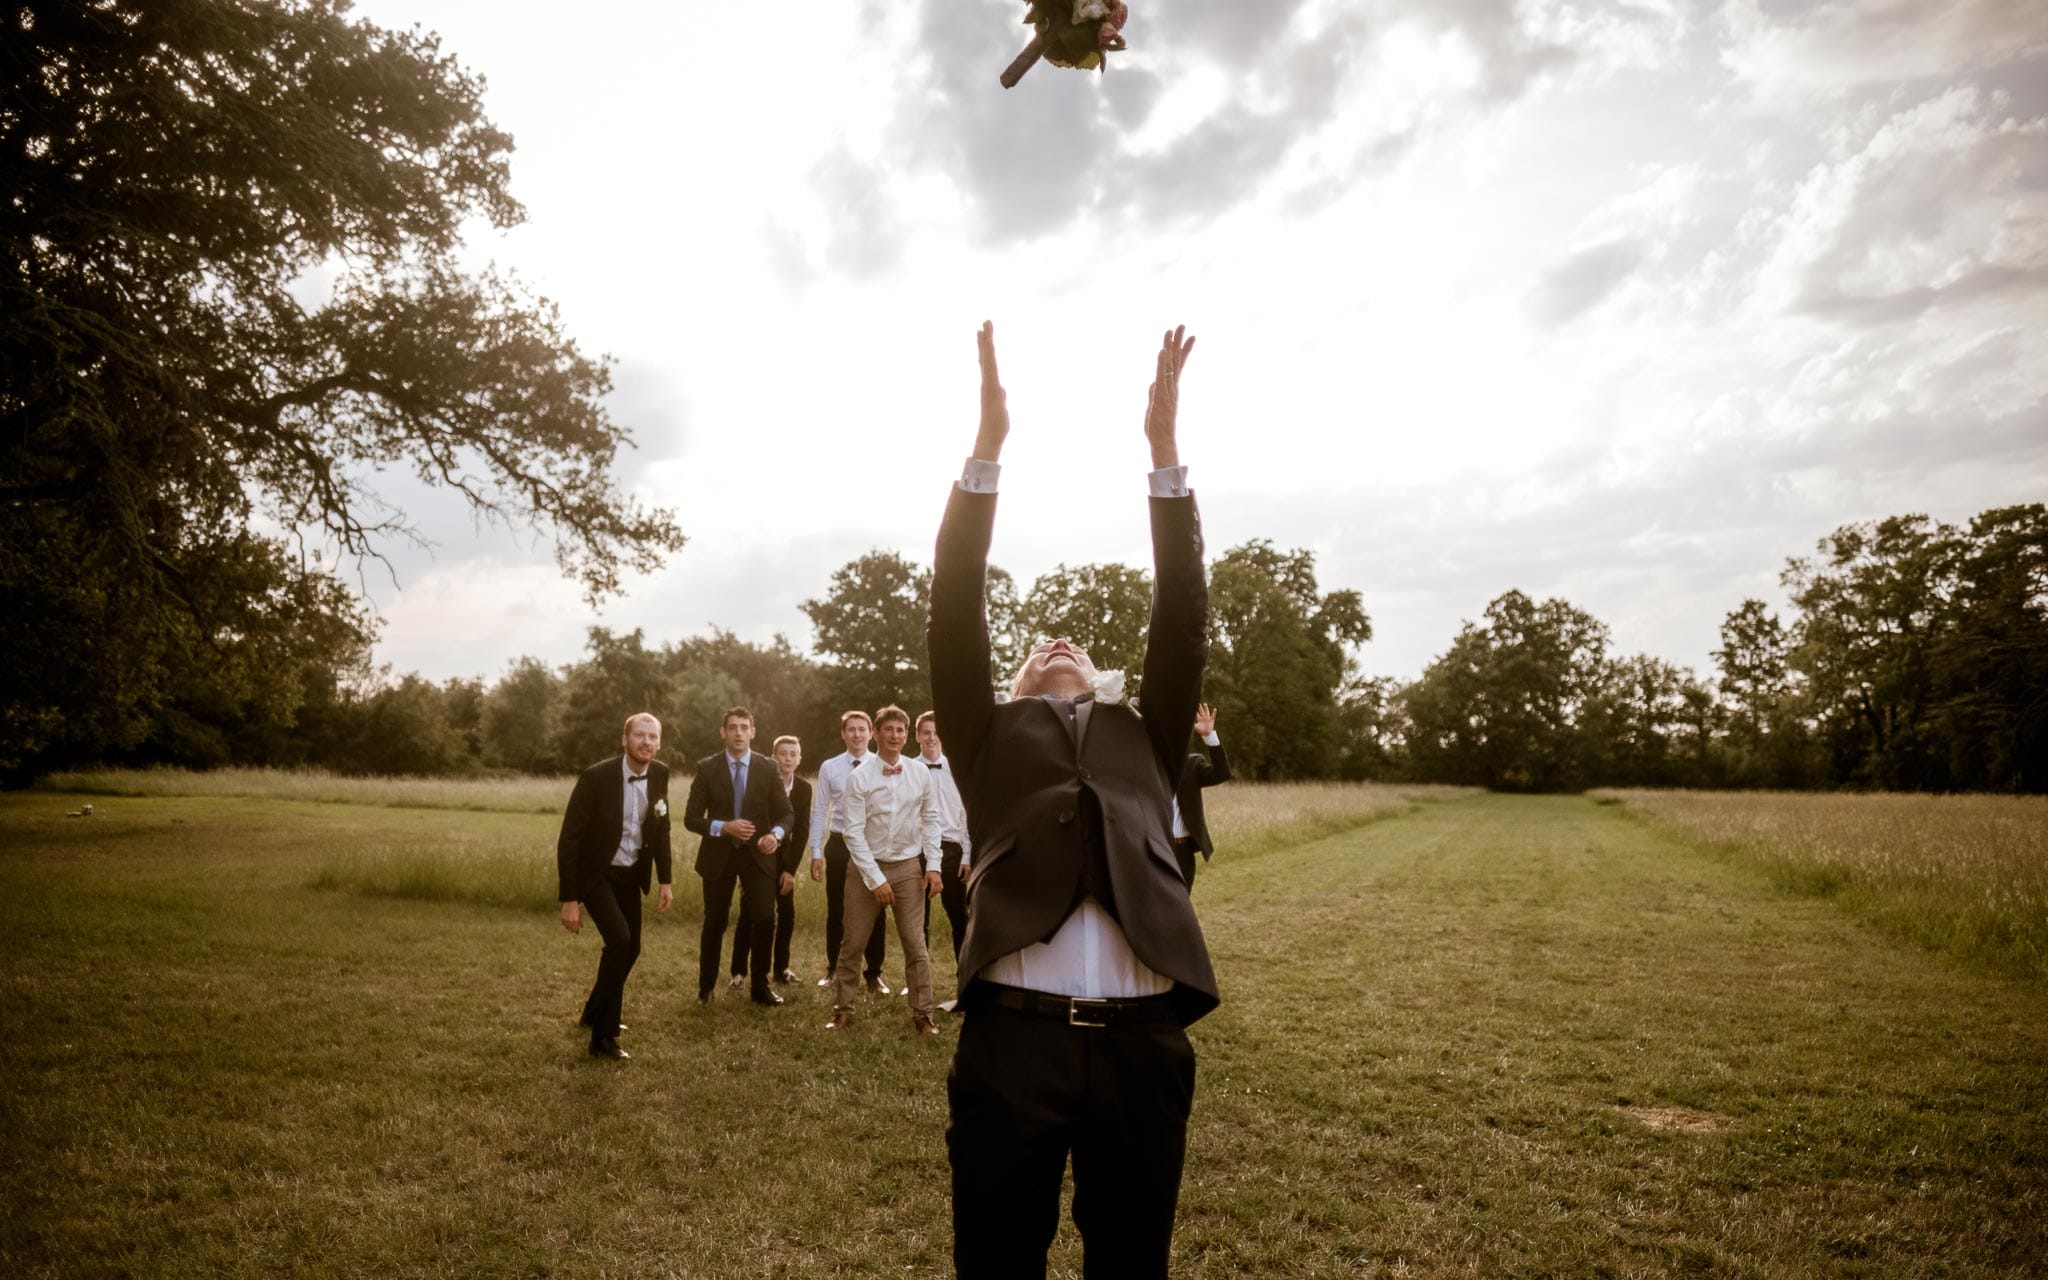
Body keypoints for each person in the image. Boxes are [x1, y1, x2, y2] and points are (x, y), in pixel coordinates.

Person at [931, 321, 1216, 1277]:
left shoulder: (1144, 733)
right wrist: (986, 452)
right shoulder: (987, 736)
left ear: (1101, 679)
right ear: (1014, 683)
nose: (1058, 641)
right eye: (1039, 645)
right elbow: (954, 601)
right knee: (998, 1262)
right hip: (1013, 1043)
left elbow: (1180, 620)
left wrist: (1165, 458)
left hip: (1145, 1049)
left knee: (1134, 1264)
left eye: (1078, 646)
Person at [556, 712, 674, 1061]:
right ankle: (603, 1037)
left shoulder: (661, 773)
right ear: (625, 739)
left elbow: (661, 828)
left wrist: (665, 880)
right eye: (640, 735)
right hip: (596, 874)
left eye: (653, 736)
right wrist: (569, 898)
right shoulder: (596, 777)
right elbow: (570, 840)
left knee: (631, 946)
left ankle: (594, 1009)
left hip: (631, 873)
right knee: (620, 940)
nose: (646, 742)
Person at [825, 705, 944, 1033]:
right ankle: (843, 1010)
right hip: (865, 868)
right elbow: (852, 832)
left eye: (900, 730)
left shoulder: (919, 773)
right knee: (853, 942)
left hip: (908, 867)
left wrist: (933, 866)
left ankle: (923, 1014)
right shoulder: (859, 776)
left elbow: (931, 820)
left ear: (907, 735)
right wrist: (875, 879)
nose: (894, 736)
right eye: (888, 730)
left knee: (915, 943)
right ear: (876, 734)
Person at [681, 706, 794, 1007]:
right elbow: (691, 819)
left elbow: (786, 814)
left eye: (744, 727)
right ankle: (705, 988)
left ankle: (760, 986)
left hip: (758, 856)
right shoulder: (707, 767)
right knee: (715, 921)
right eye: (733, 727)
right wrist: (723, 827)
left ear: (753, 732)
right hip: (719, 856)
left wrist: (776, 835)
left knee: (765, 917)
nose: (739, 733)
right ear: (723, 732)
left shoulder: (768, 768)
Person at [808, 710, 889, 993]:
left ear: (871, 734)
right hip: (841, 844)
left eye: (861, 729)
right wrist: (816, 851)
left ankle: (874, 973)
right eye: (851, 729)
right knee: (837, 909)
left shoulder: (882, 765)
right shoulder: (830, 767)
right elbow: (820, 811)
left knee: (877, 908)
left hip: (873, 845)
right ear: (843, 734)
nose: (856, 734)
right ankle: (834, 969)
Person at [730, 734, 809, 986]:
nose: (787, 758)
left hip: (784, 862)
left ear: (799, 759)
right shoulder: (759, 782)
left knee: (787, 914)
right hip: (756, 860)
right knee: (749, 915)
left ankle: (781, 969)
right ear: (773, 757)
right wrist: (746, 869)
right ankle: (738, 972)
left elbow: (802, 831)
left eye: (792, 753)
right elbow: (748, 824)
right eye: (782, 753)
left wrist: (791, 871)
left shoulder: (804, 789)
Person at [916, 710, 972, 963]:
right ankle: (918, 981)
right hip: (917, 851)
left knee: (960, 917)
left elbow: (967, 813)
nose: (931, 738)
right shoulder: (907, 769)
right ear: (917, 736)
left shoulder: (959, 768)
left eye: (936, 732)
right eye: (926, 732)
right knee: (918, 920)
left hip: (952, 850)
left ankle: (965, 978)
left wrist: (968, 855)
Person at [1172, 702, 1232, 890]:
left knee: (1181, 903)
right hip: (1156, 849)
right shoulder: (1147, 766)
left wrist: (1209, 736)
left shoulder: (1192, 765)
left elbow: (1222, 773)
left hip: (1182, 851)